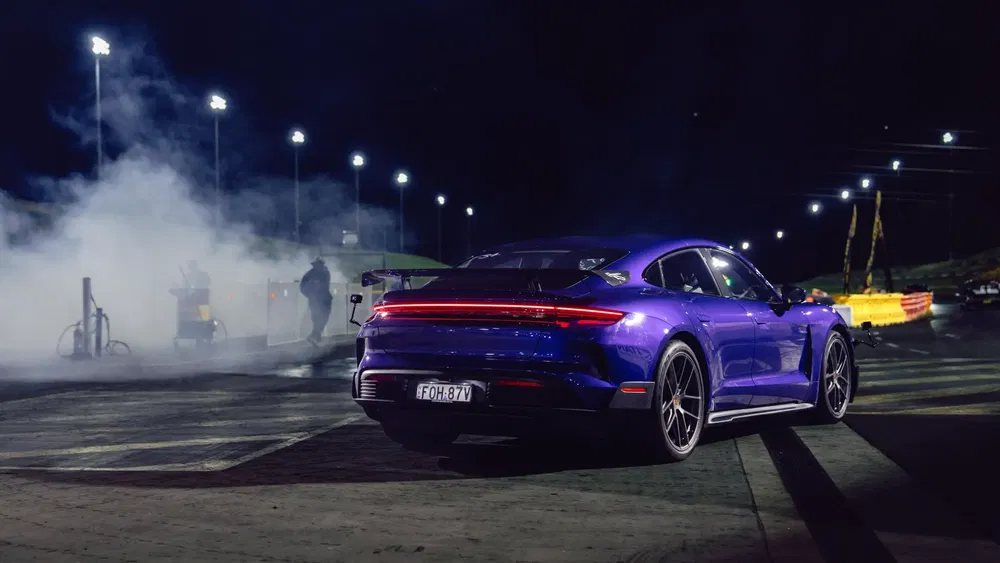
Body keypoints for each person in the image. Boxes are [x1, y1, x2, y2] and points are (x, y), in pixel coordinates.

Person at [300, 257, 333, 345]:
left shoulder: (324, 273)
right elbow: (302, 286)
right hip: (316, 299)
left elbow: (324, 285)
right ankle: (315, 336)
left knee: (323, 318)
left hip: (324, 299)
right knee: (317, 318)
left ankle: (316, 336)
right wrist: (309, 295)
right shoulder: (310, 274)